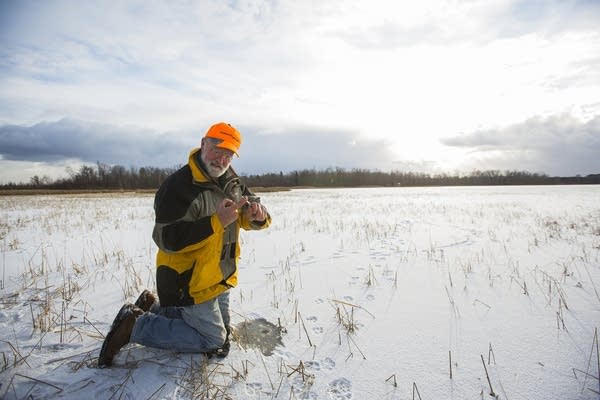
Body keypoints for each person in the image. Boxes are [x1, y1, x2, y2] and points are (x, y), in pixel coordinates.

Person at [98, 122, 271, 367]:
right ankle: (135, 325)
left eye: (228, 154)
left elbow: (247, 209)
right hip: (189, 280)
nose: (221, 159)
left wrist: (257, 217)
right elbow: (167, 239)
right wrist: (216, 222)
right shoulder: (178, 187)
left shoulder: (231, 180)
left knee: (223, 341)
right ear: (203, 144)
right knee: (213, 340)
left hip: (220, 274)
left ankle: (152, 307)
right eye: (216, 150)